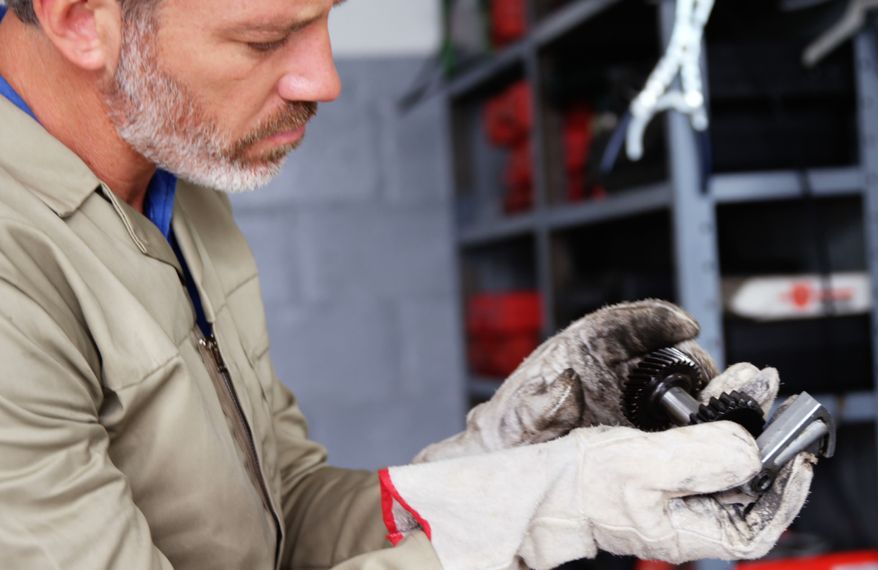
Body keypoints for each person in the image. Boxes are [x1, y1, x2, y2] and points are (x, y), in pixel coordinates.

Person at [0, 0, 816, 568]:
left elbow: (285, 518)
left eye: (327, 18)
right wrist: (542, 513)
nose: (324, 79)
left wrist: (495, 461)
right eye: (262, 40)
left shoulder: (181, 181)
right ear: (81, 20)